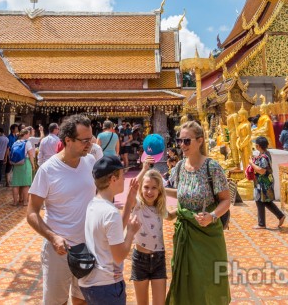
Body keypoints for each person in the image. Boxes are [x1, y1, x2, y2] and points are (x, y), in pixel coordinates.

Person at [27, 114, 98, 305]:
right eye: (84, 140)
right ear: (68, 140)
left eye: (90, 139)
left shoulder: (90, 162)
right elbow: (32, 212)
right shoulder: (48, 170)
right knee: (56, 302)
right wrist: (53, 237)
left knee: (83, 299)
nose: (89, 144)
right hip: (59, 250)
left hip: (88, 246)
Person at [164, 120, 231, 305]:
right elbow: (183, 195)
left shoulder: (212, 167)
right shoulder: (179, 168)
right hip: (185, 232)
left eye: (187, 141)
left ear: (200, 141)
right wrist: (156, 191)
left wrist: (213, 216)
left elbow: (226, 200)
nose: (182, 145)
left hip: (207, 234)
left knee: (208, 283)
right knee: (186, 280)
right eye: (180, 141)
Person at [79, 156, 141, 305]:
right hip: (106, 285)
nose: (124, 179)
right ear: (113, 179)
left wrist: (129, 202)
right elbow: (119, 256)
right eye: (122, 175)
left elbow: (114, 231)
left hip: (91, 282)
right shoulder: (110, 212)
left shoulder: (94, 203)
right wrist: (131, 233)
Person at [130, 162, 176, 305]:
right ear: (141, 188)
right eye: (146, 187)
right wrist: (144, 169)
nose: (149, 192)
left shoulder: (160, 207)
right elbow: (132, 190)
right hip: (140, 260)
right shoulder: (137, 205)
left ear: (159, 191)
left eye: (154, 188)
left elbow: (169, 216)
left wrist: (184, 211)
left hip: (158, 259)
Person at [249, 136, 285, 230]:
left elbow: (262, 170)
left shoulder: (264, 157)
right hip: (262, 182)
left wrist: (251, 164)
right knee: (265, 200)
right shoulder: (265, 154)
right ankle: (280, 215)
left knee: (260, 200)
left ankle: (261, 224)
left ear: (258, 146)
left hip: (263, 183)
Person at [9, 127, 34, 206]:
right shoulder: (27, 143)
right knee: (25, 185)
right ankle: (25, 202)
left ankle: (15, 202)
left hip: (16, 164)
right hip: (25, 163)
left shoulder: (16, 142)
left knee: (16, 184)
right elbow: (30, 155)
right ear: (26, 134)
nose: (29, 136)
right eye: (28, 134)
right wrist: (33, 165)